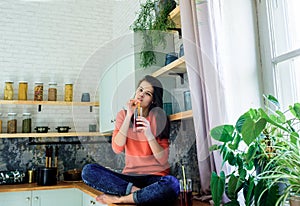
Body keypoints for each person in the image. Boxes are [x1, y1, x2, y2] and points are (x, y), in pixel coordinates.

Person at [82, 75, 180, 205]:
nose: (141, 95)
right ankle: (139, 193)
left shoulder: (160, 118)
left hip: (155, 178)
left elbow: (162, 159)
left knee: (172, 184)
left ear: (153, 100)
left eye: (147, 93)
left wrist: (149, 134)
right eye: (140, 90)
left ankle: (122, 199)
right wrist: (129, 115)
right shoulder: (123, 115)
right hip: (130, 178)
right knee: (88, 171)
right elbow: (117, 148)